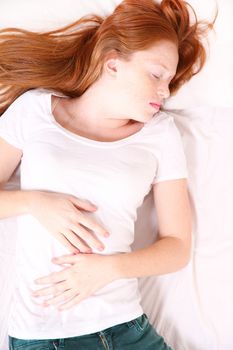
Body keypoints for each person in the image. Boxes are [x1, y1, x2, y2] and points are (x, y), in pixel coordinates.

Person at [0, 0, 213, 349]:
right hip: (45, 338)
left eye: (170, 81)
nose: (164, 91)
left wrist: (109, 269)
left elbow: (177, 247)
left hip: (128, 329)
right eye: (156, 74)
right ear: (112, 63)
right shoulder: (34, 110)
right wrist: (36, 202)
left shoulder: (161, 134)